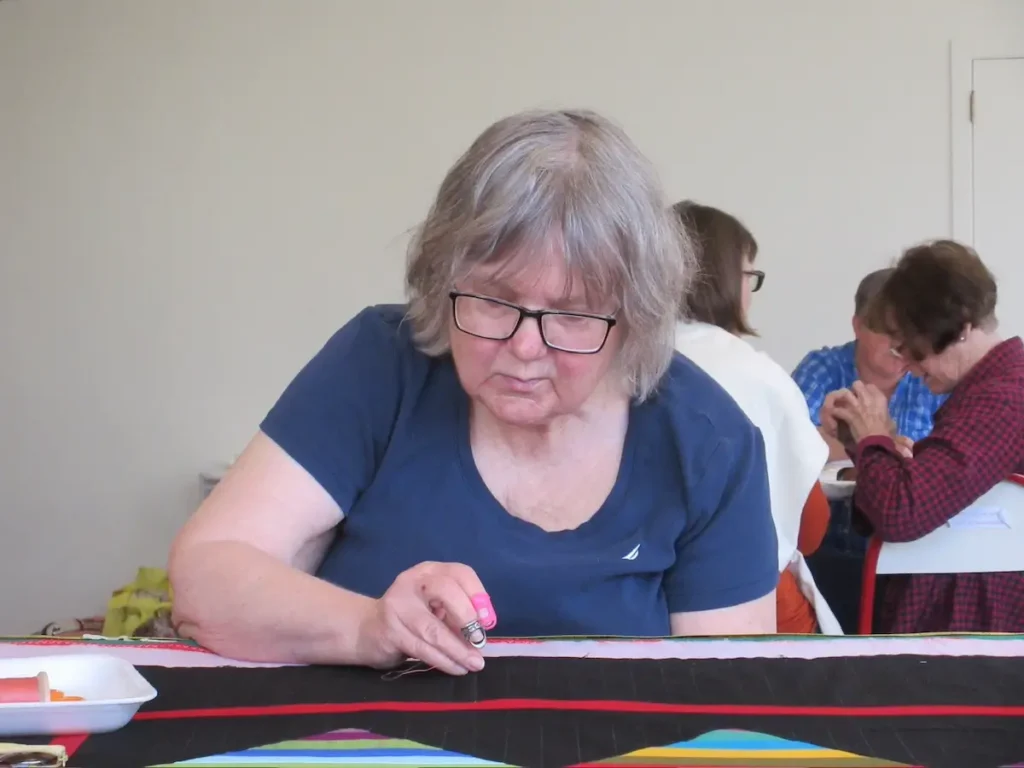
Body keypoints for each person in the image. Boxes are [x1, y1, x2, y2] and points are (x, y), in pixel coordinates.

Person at [168, 109, 780, 675]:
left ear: (633, 320)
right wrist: (367, 626)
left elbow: (723, 696)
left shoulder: (708, 443)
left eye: (571, 315)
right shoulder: (381, 365)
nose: (524, 348)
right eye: (492, 300)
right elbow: (207, 577)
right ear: (442, 281)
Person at [821, 239, 1024, 633]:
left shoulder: (1002, 400)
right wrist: (867, 443)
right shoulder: (992, 391)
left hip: (969, 639)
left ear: (961, 329)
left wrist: (874, 438)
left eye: (913, 349)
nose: (908, 366)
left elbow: (901, 513)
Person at [672, 201, 840, 635]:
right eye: (750, 276)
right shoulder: (757, 376)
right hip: (754, 606)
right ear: (728, 280)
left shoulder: (616, 363)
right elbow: (809, 529)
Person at [792, 269, 947, 461]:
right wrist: (882, 447)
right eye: (891, 332)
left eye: (913, 334)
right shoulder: (822, 368)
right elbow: (792, 442)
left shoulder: (934, 377)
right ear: (858, 326)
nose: (902, 345)